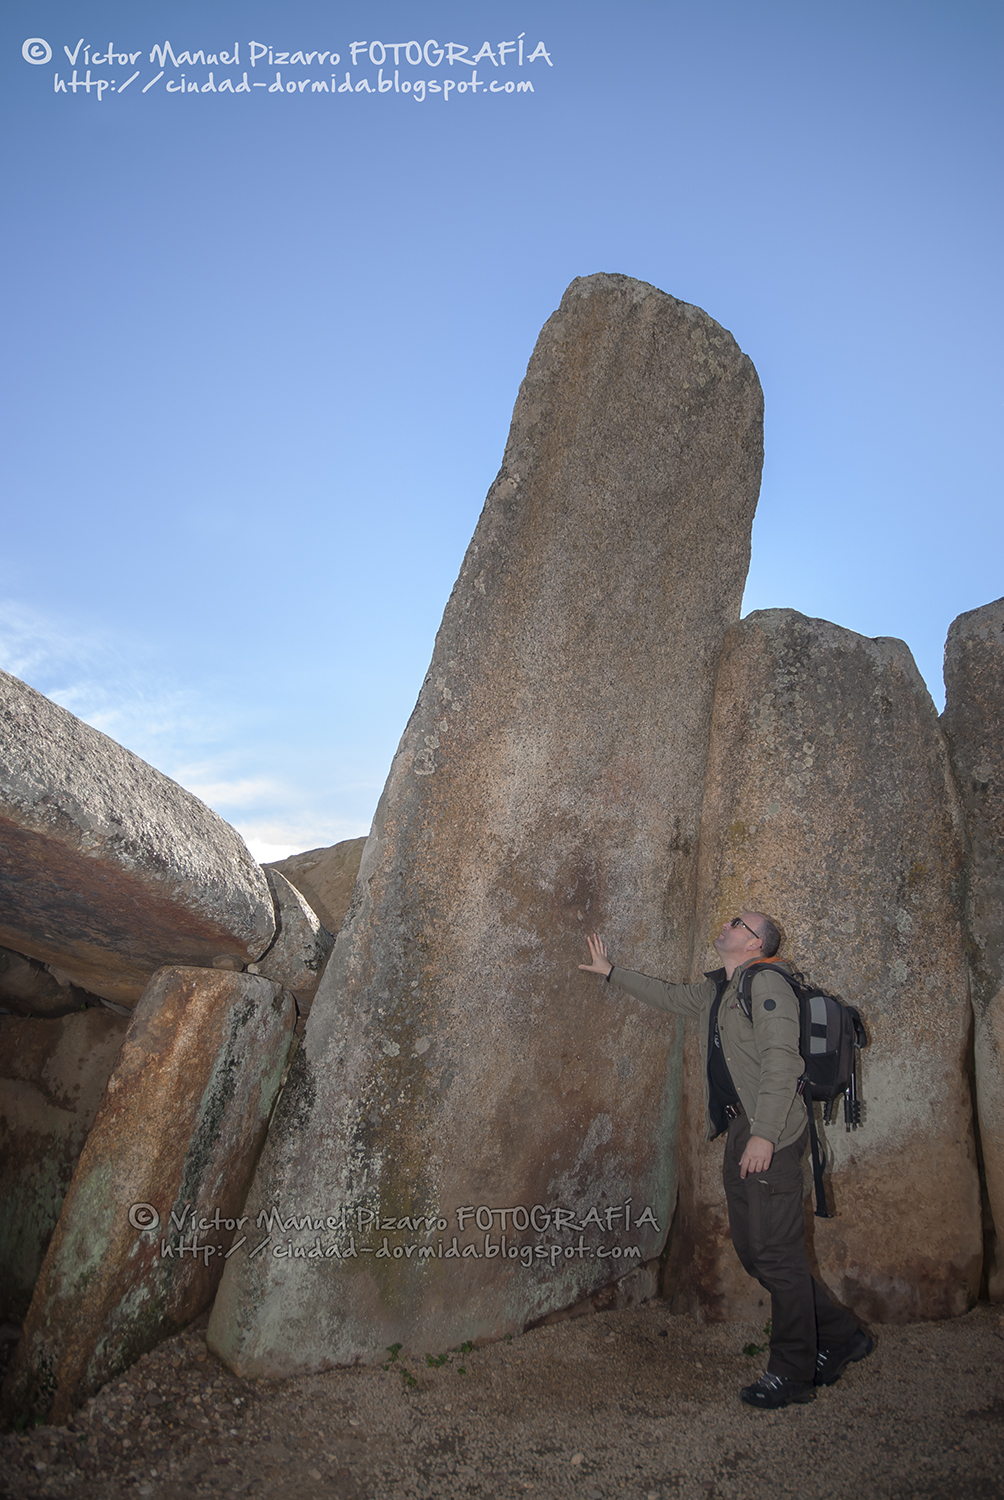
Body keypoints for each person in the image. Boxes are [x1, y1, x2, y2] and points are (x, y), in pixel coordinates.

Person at [579, 913, 873, 1409]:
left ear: (756, 943)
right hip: (744, 1129)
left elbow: (784, 1063)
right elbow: (671, 997)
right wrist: (611, 972)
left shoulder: (767, 983)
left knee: (776, 1256)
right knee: (755, 1252)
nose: (727, 924)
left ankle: (792, 1374)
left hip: (771, 1133)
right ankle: (843, 1337)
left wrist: (764, 1137)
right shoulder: (722, 990)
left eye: (739, 922)